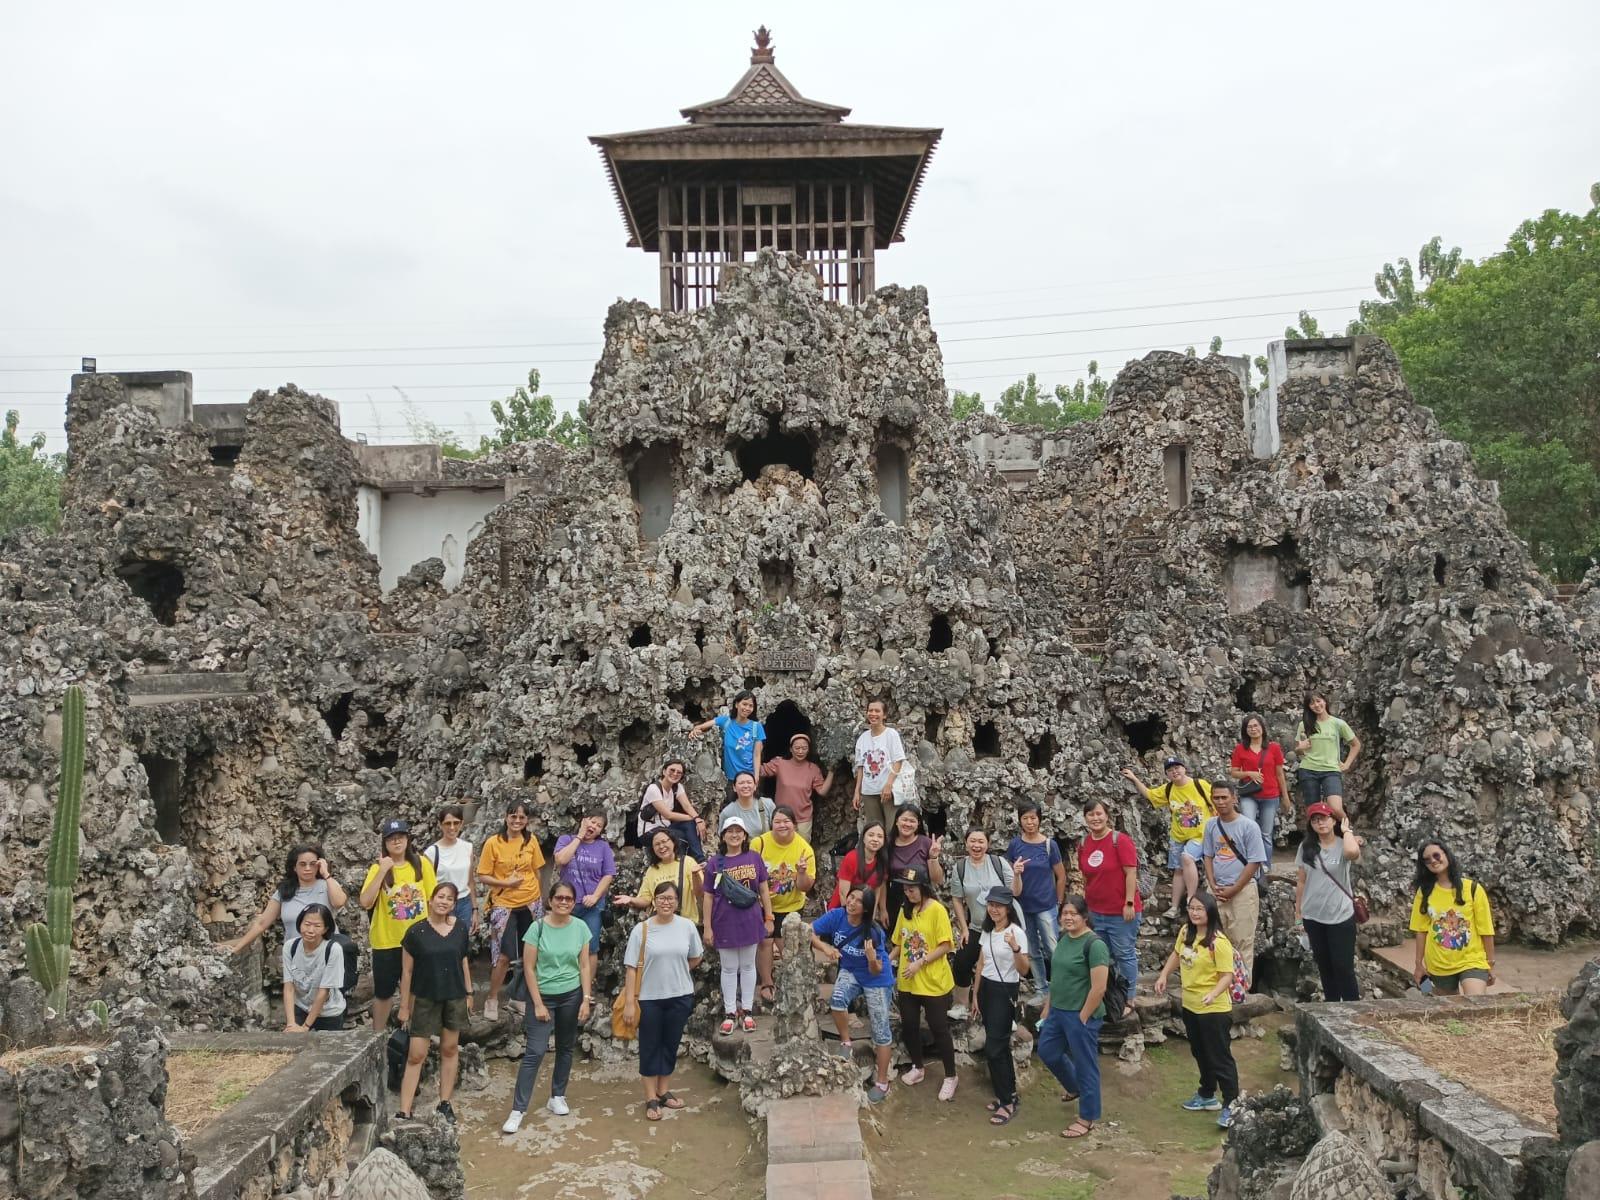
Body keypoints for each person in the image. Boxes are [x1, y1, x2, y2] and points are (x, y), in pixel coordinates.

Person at [501, 880, 593, 1133]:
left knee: (565, 1046)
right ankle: (518, 1110)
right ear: (550, 901)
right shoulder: (536, 928)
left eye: (568, 899)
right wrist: (539, 1003)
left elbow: (584, 965)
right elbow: (529, 968)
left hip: (571, 995)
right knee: (535, 1052)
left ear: (573, 903)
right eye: (559, 898)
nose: (563, 902)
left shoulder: (581, 927)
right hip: (543, 995)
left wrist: (586, 998)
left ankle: (557, 1095)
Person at [1155, 892, 1240, 1128]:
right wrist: (1164, 975)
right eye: (1191, 908)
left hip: (1214, 1009)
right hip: (1191, 1004)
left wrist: (1213, 994)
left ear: (1210, 911)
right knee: (1200, 1052)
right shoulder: (1186, 932)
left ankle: (1232, 1103)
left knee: (1219, 1056)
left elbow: (1227, 976)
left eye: (1199, 909)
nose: (1194, 913)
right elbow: (1176, 953)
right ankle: (1206, 1094)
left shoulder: (1219, 942)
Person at [622, 881, 705, 1120]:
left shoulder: (687, 926)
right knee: (650, 1047)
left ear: (678, 902)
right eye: (661, 898)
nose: (666, 902)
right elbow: (630, 969)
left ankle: (663, 1090)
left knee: (670, 1044)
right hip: (648, 998)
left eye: (670, 898)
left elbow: (696, 957)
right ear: (654, 901)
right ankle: (650, 1097)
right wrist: (630, 1002)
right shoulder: (642, 929)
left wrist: (676, 971)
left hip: (680, 996)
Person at [396, 881, 473, 1121]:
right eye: (440, 896)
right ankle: (405, 1109)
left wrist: (469, 992)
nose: (444, 902)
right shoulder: (415, 932)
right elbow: (407, 972)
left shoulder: (460, 929)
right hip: (425, 997)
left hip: (454, 994)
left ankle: (445, 1103)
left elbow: (463, 961)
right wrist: (404, 1006)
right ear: (430, 899)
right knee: (416, 1053)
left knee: (449, 1049)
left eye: (449, 898)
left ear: (454, 903)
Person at [811, 884, 895, 1103]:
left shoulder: (874, 932)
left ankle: (882, 1081)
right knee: (837, 999)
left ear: (866, 908)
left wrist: (870, 956)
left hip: (876, 978)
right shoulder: (837, 916)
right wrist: (825, 948)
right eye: (851, 897)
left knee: (881, 1030)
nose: (851, 902)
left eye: (858, 901)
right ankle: (846, 1042)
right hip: (851, 970)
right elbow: (809, 932)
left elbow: (876, 969)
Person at [1037, 895, 1108, 1139]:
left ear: (1084, 916)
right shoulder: (1065, 939)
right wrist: (1048, 1006)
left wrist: (1083, 1016)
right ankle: (1075, 1087)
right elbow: (1056, 978)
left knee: (1086, 1064)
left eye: (1073, 913)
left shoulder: (1095, 945)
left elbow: (1099, 987)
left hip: (1081, 1014)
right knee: (1047, 1051)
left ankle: (1087, 1117)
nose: (1068, 917)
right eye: (1064, 913)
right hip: (1058, 1010)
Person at [360, 818, 437, 1032]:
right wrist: (383, 871)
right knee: (383, 992)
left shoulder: (421, 864)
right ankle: (377, 1035)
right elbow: (365, 901)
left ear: (408, 839)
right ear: (384, 844)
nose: (396, 842)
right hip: (387, 941)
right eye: (391, 839)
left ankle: (410, 1031)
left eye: (400, 837)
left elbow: (432, 900)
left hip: (417, 941)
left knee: (414, 988)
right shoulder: (378, 867)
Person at [889, 866, 959, 1102]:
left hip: (932, 980)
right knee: (909, 1025)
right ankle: (918, 1066)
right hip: (908, 980)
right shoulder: (905, 910)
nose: (908, 893)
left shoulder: (937, 910)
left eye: (912, 889)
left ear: (923, 888)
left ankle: (951, 1075)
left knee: (939, 1027)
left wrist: (921, 962)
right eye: (905, 889)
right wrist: (888, 959)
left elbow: (946, 944)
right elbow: (900, 941)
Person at [702, 814, 774, 1034]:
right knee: (729, 967)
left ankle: (748, 1010)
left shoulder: (754, 858)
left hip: (750, 918)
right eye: (730, 831)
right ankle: (730, 1012)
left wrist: (769, 916)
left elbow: (763, 889)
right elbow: (707, 896)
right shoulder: (715, 862)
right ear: (723, 836)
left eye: (738, 831)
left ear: (744, 835)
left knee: (749, 965)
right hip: (724, 919)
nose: (734, 835)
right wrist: (707, 926)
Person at [477, 798, 547, 1021]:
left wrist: (541, 901)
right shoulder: (493, 843)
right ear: (506, 817)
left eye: (522, 817)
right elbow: (483, 875)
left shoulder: (531, 841)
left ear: (527, 820)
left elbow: (537, 871)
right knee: (504, 955)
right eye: (513, 816)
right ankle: (492, 998)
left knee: (529, 953)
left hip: (530, 902)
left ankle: (518, 997)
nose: (517, 820)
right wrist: (507, 883)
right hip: (504, 903)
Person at [1122, 757, 1214, 918]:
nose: (1175, 772)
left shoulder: (1200, 785)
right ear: (1167, 774)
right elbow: (1150, 795)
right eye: (1170, 770)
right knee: (1178, 871)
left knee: (1187, 858)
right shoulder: (1168, 789)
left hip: (1200, 834)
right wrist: (1134, 778)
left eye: (1177, 767)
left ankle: (1191, 899)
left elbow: (1216, 800)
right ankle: (1174, 907)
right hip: (1178, 836)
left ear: (1184, 768)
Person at [224, 843, 348, 955]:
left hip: (328, 955)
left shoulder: (327, 884)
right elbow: (262, 923)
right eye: (303, 864)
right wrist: (238, 947)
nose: (308, 868)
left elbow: (339, 902)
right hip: (297, 957)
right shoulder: (284, 891)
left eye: (313, 864)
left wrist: (326, 873)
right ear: (294, 867)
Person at [1200, 780, 1269, 981]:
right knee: (1215, 938)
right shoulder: (1211, 825)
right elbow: (1208, 855)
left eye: (1224, 797)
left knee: (1242, 941)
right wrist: (1212, 884)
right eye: (1216, 798)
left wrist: (1234, 888)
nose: (1220, 802)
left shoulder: (1249, 827)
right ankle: (1217, 985)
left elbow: (1255, 861)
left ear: (1234, 798)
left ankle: (1241, 987)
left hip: (1243, 890)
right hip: (1217, 889)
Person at [1293, 802, 1363, 1001]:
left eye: (1324, 818)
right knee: (1324, 966)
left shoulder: (1343, 844)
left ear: (1333, 820)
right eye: (1315, 820)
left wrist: (1347, 831)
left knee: (1343, 966)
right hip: (1313, 915)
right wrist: (1298, 914)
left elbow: (1352, 853)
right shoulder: (1306, 847)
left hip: (1340, 915)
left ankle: (1352, 1008)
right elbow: (1301, 880)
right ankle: (1331, 1007)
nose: (1320, 823)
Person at [1409, 839, 1496, 996]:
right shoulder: (1424, 892)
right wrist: (1418, 965)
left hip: (1472, 960)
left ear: (1446, 854)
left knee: (1475, 1005)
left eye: (1436, 855)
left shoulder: (1473, 889)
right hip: (1438, 964)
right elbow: (1421, 931)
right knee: (1448, 1011)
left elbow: (1486, 930)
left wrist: (1490, 963)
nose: (1433, 861)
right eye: (1427, 860)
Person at [973, 886, 1030, 1125]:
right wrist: (975, 995)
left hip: (1004, 990)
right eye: (991, 904)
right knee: (998, 1046)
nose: (994, 909)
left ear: (1008, 907)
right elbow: (981, 962)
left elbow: (1024, 970)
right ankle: (1008, 1095)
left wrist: (1015, 947)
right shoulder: (987, 931)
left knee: (994, 1048)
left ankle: (1007, 1101)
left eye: (999, 905)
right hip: (986, 988)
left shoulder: (1016, 932)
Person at [1077, 799, 1140, 1010]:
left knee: (1124, 953)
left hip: (1121, 911)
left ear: (1107, 816)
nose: (1095, 818)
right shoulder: (1084, 844)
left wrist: (1129, 902)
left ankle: (1129, 997)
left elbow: (1131, 872)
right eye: (1090, 815)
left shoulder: (1119, 840)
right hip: (1096, 911)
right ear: (1085, 818)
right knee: (1102, 955)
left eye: (1099, 814)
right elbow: (1086, 877)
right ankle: (1107, 995)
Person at [949, 829, 1016, 1020]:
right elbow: (956, 898)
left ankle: (1006, 1011)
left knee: (1001, 966)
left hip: (1001, 927)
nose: (976, 845)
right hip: (976, 926)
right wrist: (964, 927)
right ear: (966, 843)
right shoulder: (960, 867)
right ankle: (961, 1005)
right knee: (962, 960)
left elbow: (1015, 892)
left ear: (988, 843)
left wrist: (1017, 874)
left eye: (981, 841)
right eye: (972, 841)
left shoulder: (998, 863)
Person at [752, 806, 815, 1005]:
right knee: (765, 942)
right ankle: (767, 983)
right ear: (771, 824)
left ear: (795, 825)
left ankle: (794, 984)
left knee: (789, 947)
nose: (782, 825)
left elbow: (806, 886)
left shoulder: (804, 848)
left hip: (791, 905)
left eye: (786, 821)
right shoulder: (759, 843)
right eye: (777, 821)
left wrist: (802, 872)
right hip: (763, 902)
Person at [1006, 801, 1065, 981]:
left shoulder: (1049, 845)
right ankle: (1041, 988)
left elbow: (1061, 876)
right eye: (1025, 818)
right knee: (1031, 950)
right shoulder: (1015, 845)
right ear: (1019, 821)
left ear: (1039, 820)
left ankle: (1060, 988)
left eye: (1033, 818)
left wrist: (1058, 903)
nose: (1029, 822)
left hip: (1046, 905)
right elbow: (1009, 874)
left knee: (1053, 949)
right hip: (1023, 907)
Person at [554, 810, 616, 955]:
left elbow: (608, 874)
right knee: (564, 945)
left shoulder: (603, 847)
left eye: (599, 826)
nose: (594, 827)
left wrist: (595, 896)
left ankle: (587, 978)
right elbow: (561, 860)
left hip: (592, 905)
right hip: (567, 903)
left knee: (590, 948)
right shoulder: (566, 839)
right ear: (583, 821)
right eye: (592, 822)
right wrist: (580, 837)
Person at [1293, 693, 1360, 820]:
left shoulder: (1338, 723)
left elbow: (1356, 744)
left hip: (1331, 770)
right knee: (1313, 811)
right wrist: (1300, 748)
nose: (1316, 705)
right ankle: (1317, 839)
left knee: (1335, 807)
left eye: (1318, 701)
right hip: (1308, 770)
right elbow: (1298, 750)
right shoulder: (1304, 724)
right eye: (1312, 703)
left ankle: (1348, 834)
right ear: (1309, 707)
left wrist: (1347, 764)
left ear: (1325, 701)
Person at [689, 690, 766, 800]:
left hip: (748, 778)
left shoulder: (756, 727)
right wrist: (695, 731)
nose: (747, 708)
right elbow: (700, 727)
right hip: (730, 778)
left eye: (751, 706)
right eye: (744, 704)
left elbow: (757, 754)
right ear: (736, 704)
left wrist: (756, 777)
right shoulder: (726, 722)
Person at [281, 903, 346, 1031]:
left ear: (326, 928)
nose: (310, 930)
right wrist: (291, 1024)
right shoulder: (290, 947)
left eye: (317, 926)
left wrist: (305, 1027)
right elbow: (289, 987)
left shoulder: (333, 949)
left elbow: (323, 992)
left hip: (328, 1012)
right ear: (300, 923)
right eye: (307, 924)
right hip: (301, 1007)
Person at [760, 732, 835, 843]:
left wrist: (832, 772)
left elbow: (822, 791)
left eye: (804, 748)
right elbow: (760, 771)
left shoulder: (813, 769)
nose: (800, 751)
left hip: (803, 820)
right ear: (791, 749)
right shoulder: (780, 763)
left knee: (802, 852)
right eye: (797, 748)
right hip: (782, 818)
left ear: (809, 749)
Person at [1230, 713, 1291, 848]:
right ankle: (1251, 863)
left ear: (1262, 727)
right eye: (1249, 727)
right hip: (1249, 794)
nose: (1253, 729)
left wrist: (1285, 797)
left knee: (1266, 833)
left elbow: (1280, 774)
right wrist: (1249, 773)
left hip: (1270, 795)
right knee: (1249, 827)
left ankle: (1265, 865)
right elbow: (1234, 772)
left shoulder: (1274, 747)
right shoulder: (1240, 749)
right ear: (1245, 731)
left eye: (1255, 725)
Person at [885, 806, 945, 926]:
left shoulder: (926, 843)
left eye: (912, 821)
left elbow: (937, 879)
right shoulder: (887, 844)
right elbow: (881, 880)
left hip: (921, 898)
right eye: (904, 820)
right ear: (896, 821)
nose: (908, 824)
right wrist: (882, 909)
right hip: (895, 899)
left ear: (918, 824)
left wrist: (933, 857)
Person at [627, 828, 703, 924]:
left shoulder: (688, 862)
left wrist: (695, 875)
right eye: (657, 844)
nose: (661, 846)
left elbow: (700, 893)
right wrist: (630, 900)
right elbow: (646, 899)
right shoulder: (652, 870)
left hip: (686, 924)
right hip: (660, 925)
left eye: (664, 841)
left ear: (673, 842)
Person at [852, 698, 906, 832]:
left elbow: (898, 761)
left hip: (888, 790)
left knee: (891, 828)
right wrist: (857, 792)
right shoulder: (862, 738)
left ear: (884, 715)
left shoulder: (891, 735)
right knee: (874, 829)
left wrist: (889, 785)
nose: (873, 714)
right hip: (869, 791)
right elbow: (861, 767)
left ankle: (892, 854)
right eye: (870, 710)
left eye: (877, 711)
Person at [637, 759, 704, 862]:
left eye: (679, 772)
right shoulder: (654, 789)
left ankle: (700, 860)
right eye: (672, 770)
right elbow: (668, 815)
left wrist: (698, 820)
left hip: (666, 828)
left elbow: (687, 806)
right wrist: (693, 818)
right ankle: (680, 865)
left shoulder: (677, 787)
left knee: (691, 825)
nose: (675, 774)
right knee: (680, 836)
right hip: (649, 832)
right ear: (664, 771)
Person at [424, 804, 477, 932]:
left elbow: (470, 881)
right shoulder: (431, 853)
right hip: (442, 904)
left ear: (462, 823)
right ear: (440, 825)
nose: (452, 827)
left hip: (464, 903)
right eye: (448, 823)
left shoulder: (467, 847)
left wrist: (475, 910)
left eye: (456, 823)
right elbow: (427, 887)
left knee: (463, 944)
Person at [829, 820, 889, 912]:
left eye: (880, 836)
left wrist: (873, 916)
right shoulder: (851, 858)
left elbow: (878, 890)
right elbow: (843, 893)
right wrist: (849, 919)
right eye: (871, 835)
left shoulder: (882, 861)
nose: (875, 839)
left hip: (864, 911)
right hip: (842, 909)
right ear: (863, 838)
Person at [718, 770, 775, 840]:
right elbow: (721, 837)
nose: (745, 786)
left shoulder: (767, 804)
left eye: (749, 782)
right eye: (741, 783)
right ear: (734, 788)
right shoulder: (727, 812)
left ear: (755, 786)